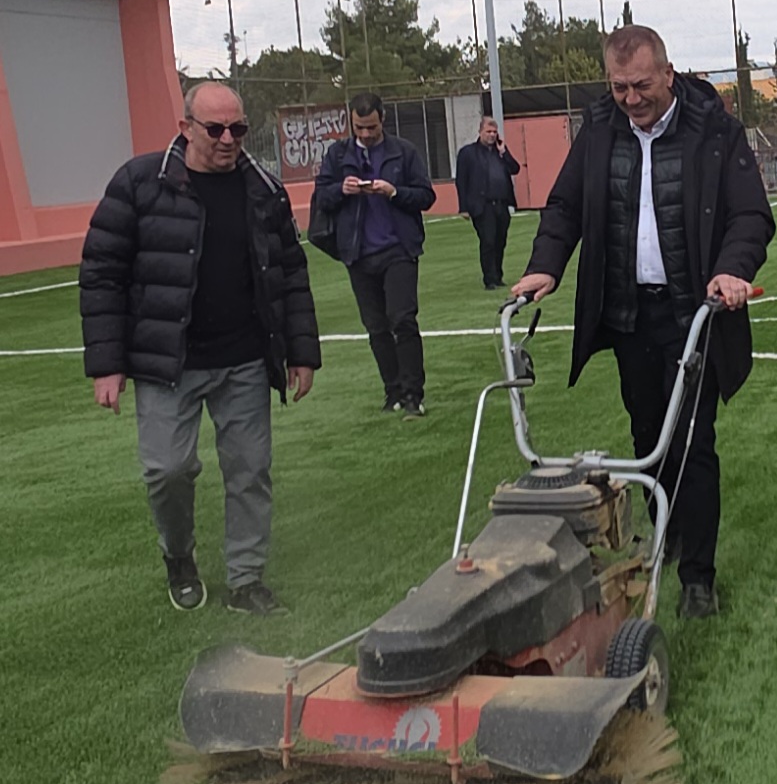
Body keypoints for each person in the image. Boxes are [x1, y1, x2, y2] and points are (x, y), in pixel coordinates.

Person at [512, 24, 774, 620]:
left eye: (642, 85)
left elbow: (750, 216)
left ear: (668, 73)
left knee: (693, 443)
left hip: (696, 314)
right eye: (620, 86)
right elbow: (565, 206)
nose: (631, 98)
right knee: (647, 442)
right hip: (630, 314)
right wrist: (543, 267)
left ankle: (698, 578)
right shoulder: (601, 132)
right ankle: (667, 534)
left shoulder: (714, 132)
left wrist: (732, 270)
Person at [79, 82, 320, 615]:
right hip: (169, 362)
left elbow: (290, 274)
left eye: (238, 128)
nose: (229, 139)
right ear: (186, 127)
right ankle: (179, 556)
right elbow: (102, 274)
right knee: (167, 470)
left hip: (245, 360)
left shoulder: (263, 188)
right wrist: (107, 364)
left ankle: (246, 579)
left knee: (250, 470)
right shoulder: (140, 184)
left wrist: (301, 350)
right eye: (216, 129)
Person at [313, 91, 436, 417]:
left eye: (371, 127)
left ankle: (413, 394)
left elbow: (426, 196)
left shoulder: (404, 152)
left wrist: (393, 192)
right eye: (359, 128)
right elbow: (321, 198)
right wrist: (341, 189)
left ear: (383, 120)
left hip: (398, 249)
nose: (365, 134)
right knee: (376, 327)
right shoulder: (338, 156)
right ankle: (392, 391)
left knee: (403, 321)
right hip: (357, 253)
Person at [455, 116, 521, 290]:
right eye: (488, 132)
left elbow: (515, 169)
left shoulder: (500, 152)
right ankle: (489, 279)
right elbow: (461, 181)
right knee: (488, 241)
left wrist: (504, 153)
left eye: (494, 132)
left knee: (501, 241)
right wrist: (463, 207)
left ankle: (498, 276)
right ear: (480, 132)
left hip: (501, 204)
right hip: (482, 206)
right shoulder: (468, 153)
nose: (492, 135)